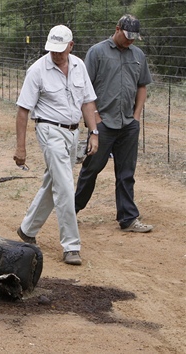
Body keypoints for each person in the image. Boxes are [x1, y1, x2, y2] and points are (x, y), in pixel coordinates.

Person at [13, 25, 99, 266]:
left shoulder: (79, 66)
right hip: (49, 130)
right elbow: (23, 111)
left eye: (61, 50)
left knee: (54, 181)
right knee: (64, 186)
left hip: (73, 133)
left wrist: (94, 132)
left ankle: (27, 229)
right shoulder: (37, 70)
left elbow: (88, 102)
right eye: (52, 50)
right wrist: (21, 148)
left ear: (71, 46)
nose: (56, 54)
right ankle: (71, 246)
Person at [75, 14, 154, 233]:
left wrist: (136, 116)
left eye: (134, 38)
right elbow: (84, 88)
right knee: (91, 169)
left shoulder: (138, 55)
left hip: (128, 124)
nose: (131, 41)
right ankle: (72, 211)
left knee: (126, 172)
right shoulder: (97, 52)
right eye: (127, 36)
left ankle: (128, 218)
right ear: (117, 29)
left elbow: (142, 86)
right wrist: (95, 120)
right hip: (103, 124)